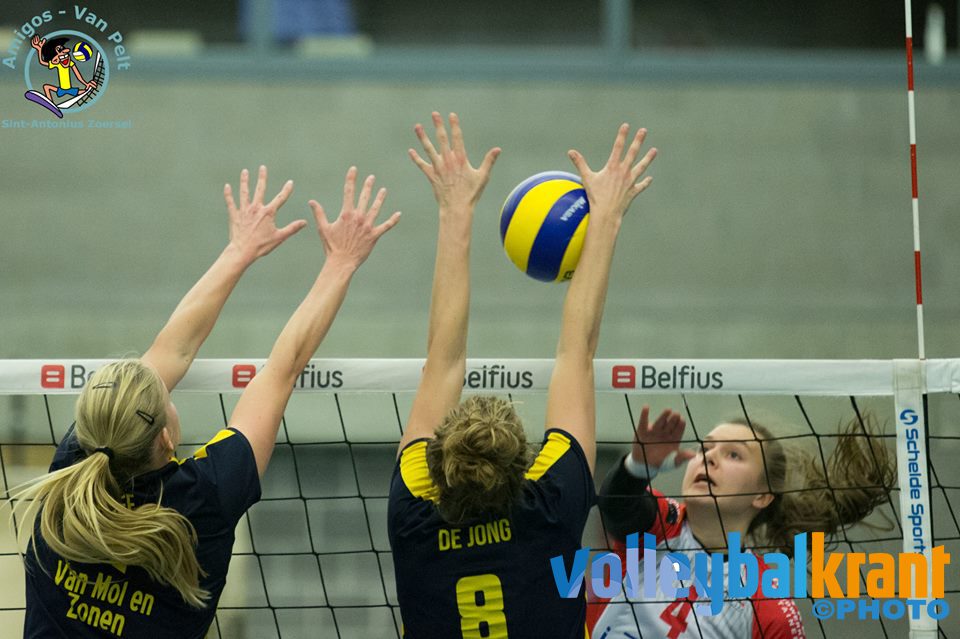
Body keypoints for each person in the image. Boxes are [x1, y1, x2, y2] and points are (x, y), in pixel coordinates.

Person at [13, 165, 400, 638]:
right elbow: (280, 368)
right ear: (165, 437)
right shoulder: (203, 499)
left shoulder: (68, 482)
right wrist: (341, 261)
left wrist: (240, 251)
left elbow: (175, 355)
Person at [388, 112, 657, 638]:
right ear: (522, 466)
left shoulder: (416, 514)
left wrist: (454, 210)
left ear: (441, 459)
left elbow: (442, 363)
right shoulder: (547, 508)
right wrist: (605, 218)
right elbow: (575, 352)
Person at [589, 407, 896, 638]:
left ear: (762, 496)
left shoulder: (768, 606)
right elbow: (617, 506)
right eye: (705, 448)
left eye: (734, 455)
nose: (709, 458)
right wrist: (637, 467)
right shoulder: (661, 524)